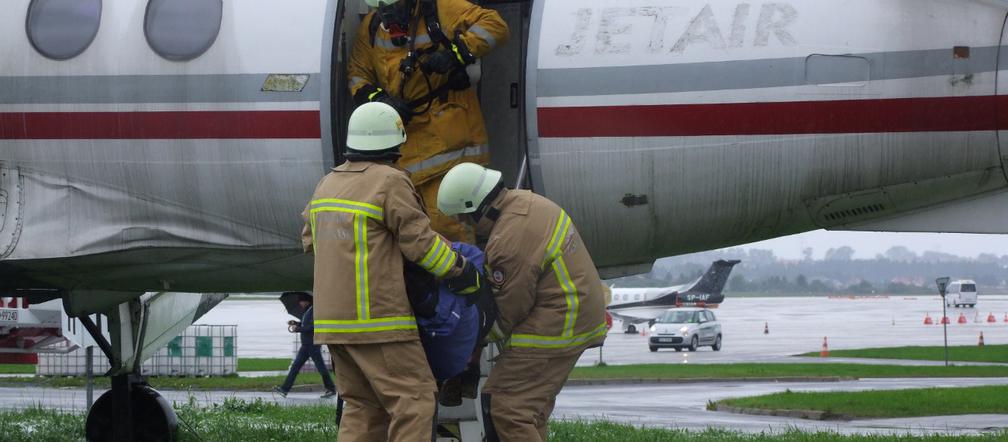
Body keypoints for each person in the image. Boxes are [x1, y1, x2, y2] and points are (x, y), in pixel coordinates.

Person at [301, 102, 482, 441]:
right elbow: (422, 247)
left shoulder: (327, 184)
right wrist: (461, 272)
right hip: (379, 322)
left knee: (361, 407)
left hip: (331, 323)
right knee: (413, 401)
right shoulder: (390, 182)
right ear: (396, 143)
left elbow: (310, 241)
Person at [437, 163, 609, 442]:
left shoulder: (509, 238)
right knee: (530, 411)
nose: (468, 225)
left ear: (480, 208)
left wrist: (466, 347)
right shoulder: (525, 202)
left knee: (507, 406)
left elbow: (506, 311)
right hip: (574, 316)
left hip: (559, 322)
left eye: (467, 218)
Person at [349, 0, 509, 242]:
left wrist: (455, 54)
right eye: (380, 6)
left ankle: (464, 276)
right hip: (406, 147)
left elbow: (496, 26)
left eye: (392, 4)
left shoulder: (441, 9)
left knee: (447, 224)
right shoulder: (372, 28)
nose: (387, 10)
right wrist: (380, 100)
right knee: (415, 230)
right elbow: (357, 74)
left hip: (449, 142)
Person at [273, 297, 337, 399]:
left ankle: (331, 389)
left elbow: (313, 326)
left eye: (301, 301)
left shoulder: (314, 310)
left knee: (321, 368)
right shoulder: (307, 311)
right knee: (295, 367)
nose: (299, 303)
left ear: (307, 301)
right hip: (306, 345)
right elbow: (305, 324)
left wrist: (298, 329)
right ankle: (284, 389)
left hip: (312, 345)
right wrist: (295, 323)